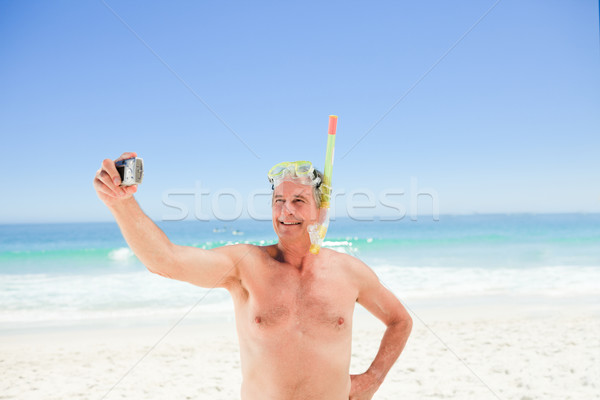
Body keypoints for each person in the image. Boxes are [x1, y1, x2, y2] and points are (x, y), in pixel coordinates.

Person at [93, 152, 412, 400]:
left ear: (320, 211)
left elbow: (400, 321)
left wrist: (373, 378)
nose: (285, 211)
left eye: (298, 201)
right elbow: (166, 260)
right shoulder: (245, 265)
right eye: (278, 201)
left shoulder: (350, 272)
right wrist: (122, 204)